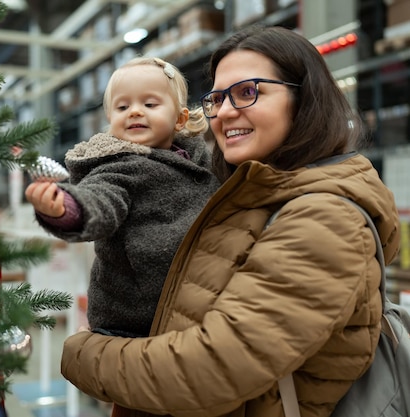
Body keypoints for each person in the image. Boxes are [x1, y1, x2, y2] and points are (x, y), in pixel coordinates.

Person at [60, 25, 401, 417]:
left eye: (247, 92)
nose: (224, 112)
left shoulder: (325, 218)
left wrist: (82, 354)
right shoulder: (247, 194)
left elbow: (208, 371)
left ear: (303, 99)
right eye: (218, 98)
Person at [25, 56, 220, 338]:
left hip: (195, 304)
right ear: (110, 118)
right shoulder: (117, 166)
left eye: (150, 104)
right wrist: (65, 207)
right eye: (122, 106)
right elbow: (100, 199)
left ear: (180, 119)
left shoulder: (200, 159)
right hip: (133, 316)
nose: (135, 112)